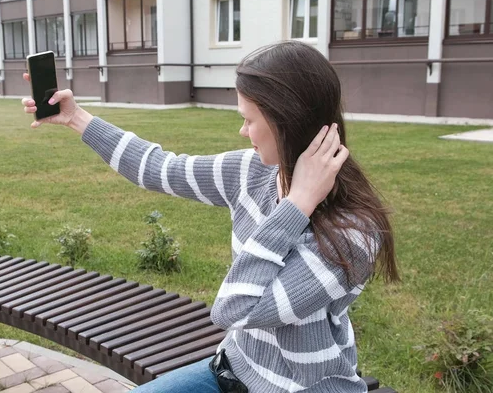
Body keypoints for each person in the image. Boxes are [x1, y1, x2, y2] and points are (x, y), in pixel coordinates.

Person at [21, 40, 399, 393]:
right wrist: (76, 118)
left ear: (287, 120)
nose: (242, 130)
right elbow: (158, 167)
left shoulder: (353, 232)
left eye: (249, 119)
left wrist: (296, 206)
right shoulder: (251, 173)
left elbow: (236, 308)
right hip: (233, 368)